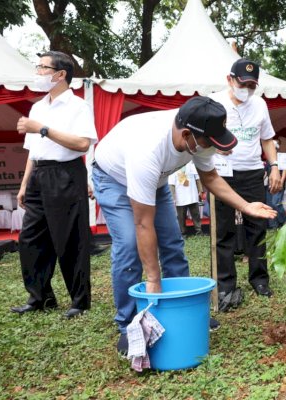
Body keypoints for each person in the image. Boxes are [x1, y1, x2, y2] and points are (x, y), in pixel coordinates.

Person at [92, 96, 276, 355]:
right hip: (114, 179)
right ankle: (128, 322)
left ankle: (182, 309)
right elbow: (143, 223)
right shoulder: (148, 149)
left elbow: (210, 177)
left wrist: (245, 206)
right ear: (188, 135)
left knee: (173, 243)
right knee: (130, 246)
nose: (212, 148)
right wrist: (153, 279)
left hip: (156, 181)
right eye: (208, 143)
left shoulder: (197, 134)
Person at [11, 51, 96, 319]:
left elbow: (83, 143)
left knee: (70, 239)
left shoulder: (78, 106)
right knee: (30, 238)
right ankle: (40, 297)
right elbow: (32, 151)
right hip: (39, 174)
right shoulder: (37, 107)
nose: (37, 72)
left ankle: (79, 302)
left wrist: (43, 129)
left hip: (66, 174)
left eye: (42, 68)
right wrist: (25, 184)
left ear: (60, 74)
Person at [209, 59, 281, 310]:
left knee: (257, 228)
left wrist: (273, 166)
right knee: (224, 230)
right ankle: (226, 284)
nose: (246, 89)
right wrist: (216, 146)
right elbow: (202, 137)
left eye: (252, 85)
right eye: (242, 83)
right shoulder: (215, 102)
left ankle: (259, 279)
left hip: (251, 172)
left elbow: (268, 139)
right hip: (222, 174)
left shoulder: (260, 104)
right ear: (229, 80)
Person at [169, 162, 204, 236]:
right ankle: (183, 233)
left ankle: (199, 231)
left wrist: (200, 190)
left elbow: (197, 179)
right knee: (181, 217)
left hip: (192, 195)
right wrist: (172, 197)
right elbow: (171, 184)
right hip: (180, 196)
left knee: (196, 215)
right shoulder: (174, 166)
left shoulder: (191, 164)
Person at [265, 139, 286, 230]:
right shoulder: (268, 158)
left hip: (278, 183)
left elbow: (285, 170)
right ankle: (273, 225)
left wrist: (281, 182)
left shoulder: (280, 157)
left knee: (276, 203)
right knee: (270, 204)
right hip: (268, 184)